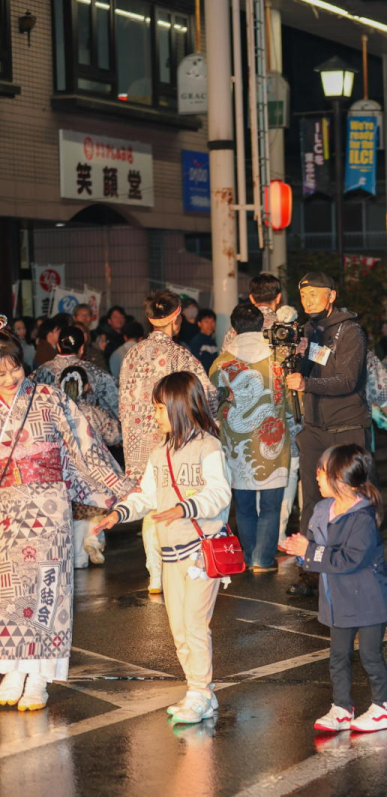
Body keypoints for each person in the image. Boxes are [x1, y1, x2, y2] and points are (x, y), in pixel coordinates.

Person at [0, 331, 131, 711]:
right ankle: (13, 668)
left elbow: (84, 445)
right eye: (1, 373)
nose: (11, 379)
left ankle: (39, 673)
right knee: (9, 593)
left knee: (45, 587)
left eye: (15, 369)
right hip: (6, 506)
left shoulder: (47, 397)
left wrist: (119, 488)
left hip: (46, 505)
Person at [96, 372, 230, 725]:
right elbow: (147, 496)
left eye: (158, 408)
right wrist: (118, 514)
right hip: (171, 554)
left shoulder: (209, 447)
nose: (154, 416)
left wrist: (184, 507)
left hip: (201, 551)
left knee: (194, 624)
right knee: (179, 629)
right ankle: (200, 692)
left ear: (179, 407)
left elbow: (220, 494)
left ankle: (200, 691)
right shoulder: (160, 452)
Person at [280, 445, 387, 733]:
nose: (316, 476)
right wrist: (298, 551)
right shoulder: (322, 509)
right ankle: (342, 707)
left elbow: (348, 559)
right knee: (338, 655)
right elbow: (314, 550)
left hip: (369, 601)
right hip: (337, 599)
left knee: (370, 655)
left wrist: (311, 551)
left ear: (341, 479)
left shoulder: (362, 518)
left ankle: (384, 708)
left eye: (323, 471)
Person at [118, 290, 218, 593]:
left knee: (148, 504)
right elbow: (205, 395)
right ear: (176, 316)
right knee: (172, 501)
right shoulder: (180, 355)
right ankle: (177, 567)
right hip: (171, 442)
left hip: (136, 444)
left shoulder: (131, 354)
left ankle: (154, 575)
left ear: (150, 318)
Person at [285, 272, 371, 538]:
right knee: (311, 498)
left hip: (345, 428)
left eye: (314, 294)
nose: (308, 301)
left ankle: (352, 556)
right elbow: (314, 369)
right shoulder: (310, 331)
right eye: (303, 296)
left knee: (350, 495)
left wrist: (306, 384)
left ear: (331, 296)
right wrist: (297, 358)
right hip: (314, 428)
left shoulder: (350, 331)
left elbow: (346, 381)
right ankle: (309, 566)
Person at [210, 303, 294, 573]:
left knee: (244, 506)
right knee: (271, 506)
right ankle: (264, 559)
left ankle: (248, 557)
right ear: (261, 325)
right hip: (274, 441)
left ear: (234, 328)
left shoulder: (221, 363)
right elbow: (292, 403)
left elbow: (214, 405)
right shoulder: (278, 359)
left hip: (237, 446)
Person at [59, 365, 121, 569]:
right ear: (85, 386)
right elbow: (113, 435)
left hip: (69, 472)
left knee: (77, 513)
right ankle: (93, 541)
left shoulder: (56, 411)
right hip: (94, 470)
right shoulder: (94, 411)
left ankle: (78, 557)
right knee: (96, 510)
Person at [32, 325, 120, 419]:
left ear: (58, 346)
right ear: (82, 348)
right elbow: (116, 405)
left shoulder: (42, 371)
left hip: (49, 425)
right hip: (86, 427)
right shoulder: (96, 372)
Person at [222, 274, 283, 352]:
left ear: (251, 298)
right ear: (278, 298)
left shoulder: (236, 327)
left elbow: (224, 358)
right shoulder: (284, 327)